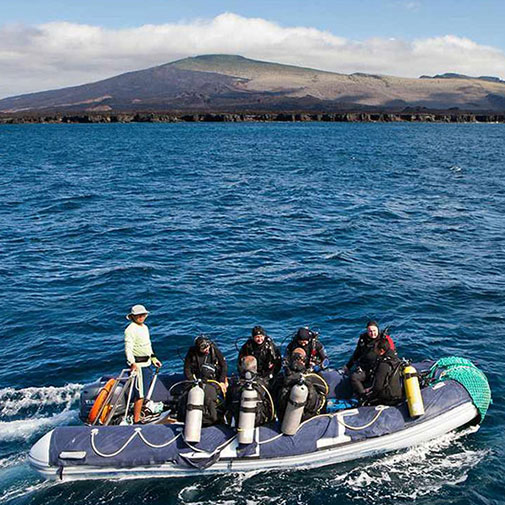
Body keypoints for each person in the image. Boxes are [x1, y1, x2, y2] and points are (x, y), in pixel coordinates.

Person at [124, 304, 162, 423]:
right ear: (133, 316)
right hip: (138, 366)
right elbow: (128, 348)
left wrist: (153, 358)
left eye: (143, 315)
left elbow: (147, 345)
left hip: (147, 364)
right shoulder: (130, 330)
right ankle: (136, 419)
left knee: (145, 390)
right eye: (138, 315)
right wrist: (132, 363)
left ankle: (141, 412)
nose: (141, 317)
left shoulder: (145, 328)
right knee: (139, 394)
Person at [180, 336, 228, 426]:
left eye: (207, 347)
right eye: (204, 349)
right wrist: (193, 381)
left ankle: (215, 414)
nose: (207, 350)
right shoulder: (192, 353)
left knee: (213, 395)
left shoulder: (214, 350)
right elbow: (187, 369)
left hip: (213, 379)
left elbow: (223, 366)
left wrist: (222, 381)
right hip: (197, 379)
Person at [343, 320, 395, 400]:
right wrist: (348, 366)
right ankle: (363, 396)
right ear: (367, 331)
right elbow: (357, 353)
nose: (372, 333)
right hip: (365, 368)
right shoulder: (363, 339)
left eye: (374, 331)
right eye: (370, 331)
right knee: (354, 377)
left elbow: (392, 354)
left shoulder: (384, 339)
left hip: (379, 368)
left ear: (378, 329)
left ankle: (372, 396)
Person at [275, 348, 328, 423]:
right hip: (308, 419)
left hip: (284, 420)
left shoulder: (281, 377)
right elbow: (324, 391)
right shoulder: (312, 377)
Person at [226, 355, 275, 427]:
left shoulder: (234, 385)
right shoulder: (263, 384)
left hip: (238, 421)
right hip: (259, 421)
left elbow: (228, 402)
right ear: (255, 368)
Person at [366, 339, 405, 406]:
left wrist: (369, 396)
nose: (374, 350)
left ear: (381, 351)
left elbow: (378, 387)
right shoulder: (395, 359)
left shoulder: (383, 365)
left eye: (375, 348)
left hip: (390, 397)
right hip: (398, 393)